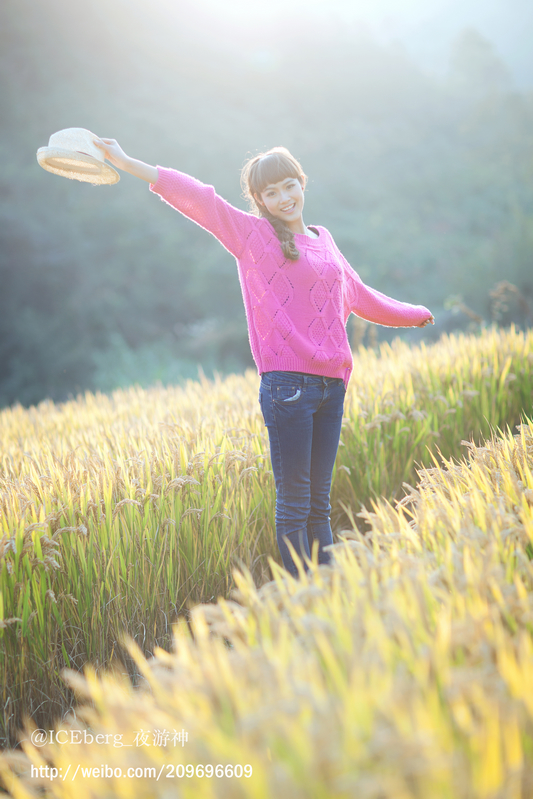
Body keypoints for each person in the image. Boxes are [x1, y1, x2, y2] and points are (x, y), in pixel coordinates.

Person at [93, 139, 434, 578]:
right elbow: (200, 197)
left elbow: (362, 295)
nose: (282, 198)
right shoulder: (253, 236)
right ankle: (300, 596)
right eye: (270, 193)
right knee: (295, 502)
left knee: (319, 502)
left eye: (288, 186)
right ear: (258, 200)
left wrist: (416, 314)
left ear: (302, 183)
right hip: (287, 387)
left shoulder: (324, 241)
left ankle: (327, 593)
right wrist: (126, 163)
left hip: (333, 386)